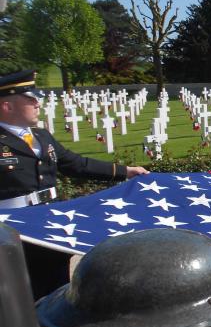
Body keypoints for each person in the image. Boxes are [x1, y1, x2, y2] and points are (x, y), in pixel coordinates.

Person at [0, 69, 149, 298]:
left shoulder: (41, 136)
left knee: (56, 284)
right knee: (19, 294)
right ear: (7, 106)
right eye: (30, 99)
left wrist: (125, 172)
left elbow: (76, 164)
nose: (38, 103)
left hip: (50, 221)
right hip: (14, 229)